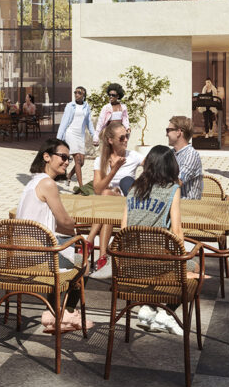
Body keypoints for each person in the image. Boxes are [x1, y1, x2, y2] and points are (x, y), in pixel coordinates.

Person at [16, 139, 90, 332]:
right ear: (47, 157)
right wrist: (77, 232)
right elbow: (65, 222)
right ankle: (65, 315)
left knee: (65, 249)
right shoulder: (48, 183)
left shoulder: (33, 182)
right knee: (84, 263)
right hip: (38, 258)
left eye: (68, 158)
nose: (67, 162)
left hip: (20, 254)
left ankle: (53, 312)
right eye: (63, 157)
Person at [123, 145, 188, 335]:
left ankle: (148, 308)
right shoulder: (172, 189)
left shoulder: (134, 187)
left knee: (151, 264)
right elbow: (176, 230)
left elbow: (124, 226)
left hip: (129, 261)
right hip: (157, 262)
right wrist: (185, 254)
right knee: (194, 269)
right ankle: (166, 315)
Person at [89, 119, 143, 280]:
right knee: (105, 197)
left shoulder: (133, 156)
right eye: (121, 138)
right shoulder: (101, 160)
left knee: (106, 197)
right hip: (107, 205)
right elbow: (97, 189)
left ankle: (90, 242)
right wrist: (114, 170)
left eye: (126, 136)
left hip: (126, 204)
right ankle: (103, 255)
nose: (126, 140)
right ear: (110, 140)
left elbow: (154, 168)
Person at [56, 87, 94, 188]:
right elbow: (64, 122)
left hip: (80, 135)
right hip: (70, 133)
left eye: (79, 93)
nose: (76, 94)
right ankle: (81, 187)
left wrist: (94, 135)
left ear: (84, 95)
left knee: (81, 162)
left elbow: (89, 122)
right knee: (77, 159)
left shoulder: (86, 107)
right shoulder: (70, 106)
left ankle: (68, 176)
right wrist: (58, 138)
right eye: (75, 92)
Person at [166, 114, 203, 200]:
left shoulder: (191, 155)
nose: (166, 134)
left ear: (178, 132)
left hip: (187, 207)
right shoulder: (171, 153)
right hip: (171, 202)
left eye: (168, 130)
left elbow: (177, 182)